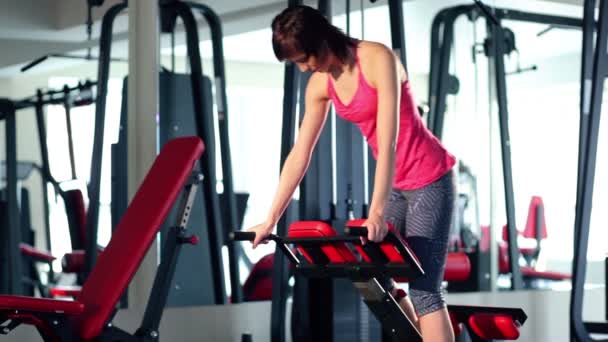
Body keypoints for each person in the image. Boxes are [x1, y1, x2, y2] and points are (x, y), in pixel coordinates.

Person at [247, 5, 457, 341]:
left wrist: (375, 211)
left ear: (321, 41)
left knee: (424, 290)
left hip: (430, 178)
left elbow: (388, 141)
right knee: (375, 277)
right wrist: (270, 219)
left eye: (305, 59)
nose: (304, 68)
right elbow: (300, 154)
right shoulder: (320, 85)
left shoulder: (376, 59)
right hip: (397, 186)